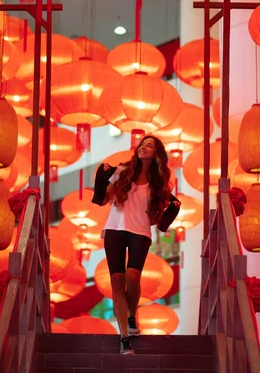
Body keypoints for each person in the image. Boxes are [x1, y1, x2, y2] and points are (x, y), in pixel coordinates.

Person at [97, 135, 181, 356]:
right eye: (142, 144)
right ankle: (124, 336)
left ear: (156, 153)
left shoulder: (159, 183)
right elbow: (104, 199)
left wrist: (167, 217)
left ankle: (132, 314)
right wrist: (103, 179)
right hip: (115, 228)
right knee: (117, 279)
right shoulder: (123, 171)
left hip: (140, 232)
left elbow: (167, 206)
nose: (144, 147)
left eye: (149, 145)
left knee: (133, 277)